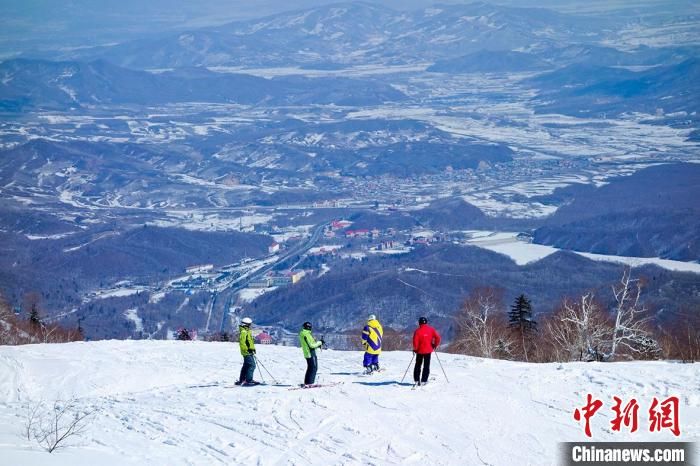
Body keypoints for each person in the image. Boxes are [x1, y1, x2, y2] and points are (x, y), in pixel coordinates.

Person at [412, 316, 441, 386]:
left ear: (419, 323)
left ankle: (416, 380)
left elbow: (415, 342)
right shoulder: (431, 329)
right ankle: (424, 380)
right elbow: (438, 337)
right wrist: (434, 345)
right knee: (426, 365)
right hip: (428, 350)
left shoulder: (417, 331)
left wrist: (415, 349)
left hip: (419, 351)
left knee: (418, 365)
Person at [236, 317, 260, 386]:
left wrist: (252, 348)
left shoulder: (246, 331)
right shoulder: (244, 332)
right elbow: (242, 343)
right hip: (246, 352)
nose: (250, 326)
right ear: (245, 324)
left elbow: (249, 342)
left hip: (248, 351)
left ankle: (242, 380)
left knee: (246, 365)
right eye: (249, 324)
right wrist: (247, 349)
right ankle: (249, 380)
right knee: (252, 365)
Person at [299, 321, 324, 386]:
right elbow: (311, 345)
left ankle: (308, 383)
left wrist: (317, 343)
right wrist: (320, 342)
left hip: (309, 352)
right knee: (313, 368)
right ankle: (309, 383)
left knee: (311, 367)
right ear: (309, 327)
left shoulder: (305, 334)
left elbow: (310, 344)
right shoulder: (306, 334)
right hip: (310, 353)